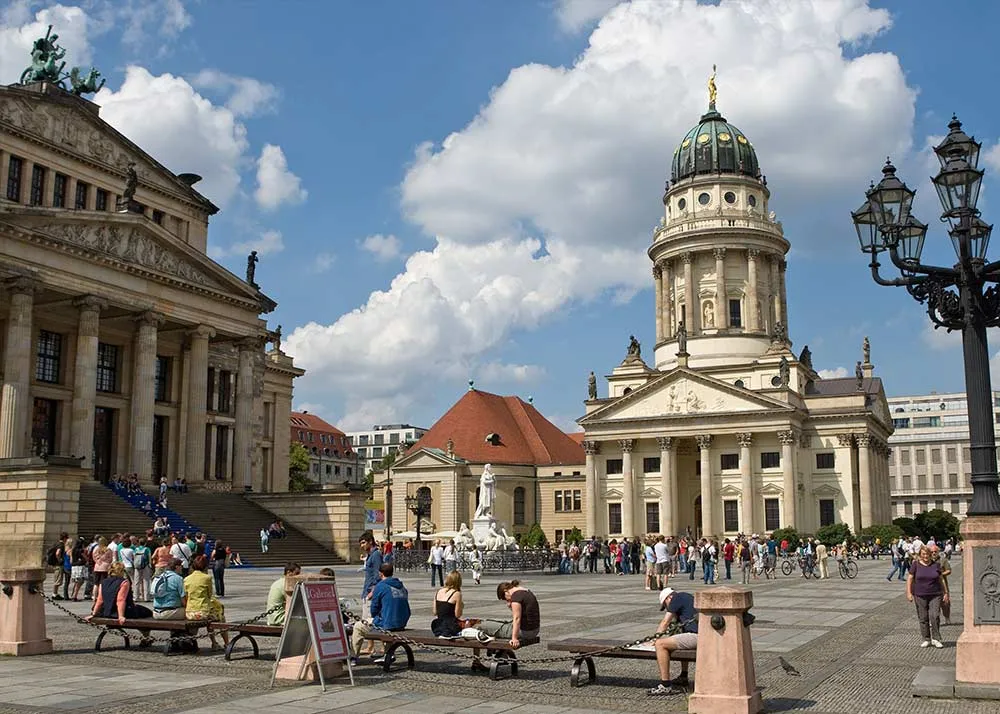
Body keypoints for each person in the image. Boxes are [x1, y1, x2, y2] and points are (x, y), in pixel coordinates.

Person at [350, 563, 411, 665]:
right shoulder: (401, 586)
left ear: (380, 574)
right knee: (386, 620)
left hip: (388, 623)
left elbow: (374, 608)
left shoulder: (380, 586)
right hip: (402, 622)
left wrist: (375, 616)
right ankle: (388, 653)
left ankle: (353, 657)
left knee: (358, 627)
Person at [648, 588, 699, 697]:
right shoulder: (686, 597)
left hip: (697, 636)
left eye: (666, 605)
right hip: (700, 635)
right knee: (680, 638)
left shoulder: (676, 598)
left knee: (660, 644)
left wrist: (655, 639)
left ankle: (665, 684)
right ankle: (683, 676)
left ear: (668, 598)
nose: (668, 608)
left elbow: (665, 622)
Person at [907, 545, 948, 648]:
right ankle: (926, 638)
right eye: (923, 554)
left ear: (931, 555)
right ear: (920, 555)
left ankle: (936, 638)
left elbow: (941, 579)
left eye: (927, 554)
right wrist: (909, 592)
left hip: (935, 594)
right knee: (923, 617)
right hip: (920, 594)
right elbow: (910, 578)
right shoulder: (915, 565)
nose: (925, 556)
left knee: (935, 616)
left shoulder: (936, 565)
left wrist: (945, 592)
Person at [185, 555, 229, 649]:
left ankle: (214, 643)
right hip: (202, 612)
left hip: (189, 613)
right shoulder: (207, 578)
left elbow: (186, 596)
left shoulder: (186, 579)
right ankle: (225, 643)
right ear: (205, 566)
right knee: (220, 616)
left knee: (210, 615)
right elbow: (209, 595)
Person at [87, 562, 153, 624]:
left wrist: (93, 614)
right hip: (123, 611)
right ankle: (145, 630)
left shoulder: (103, 582)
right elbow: (121, 600)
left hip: (106, 612)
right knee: (147, 612)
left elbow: (100, 600)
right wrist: (121, 616)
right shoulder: (124, 582)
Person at [431, 570, 469, 637]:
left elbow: (435, 612)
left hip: (438, 625)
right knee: (471, 623)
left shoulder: (438, 592)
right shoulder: (457, 594)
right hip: (451, 626)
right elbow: (457, 615)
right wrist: (461, 606)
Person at [132, 537, 152, 602]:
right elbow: (149, 558)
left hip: (137, 566)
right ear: (145, 543)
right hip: (145, 566)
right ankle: (146, 597)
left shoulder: (136, 549)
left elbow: (134, 557)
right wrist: (150, 566)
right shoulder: (147, 549)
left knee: (136, 582)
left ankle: (136, 597)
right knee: (146, 581)